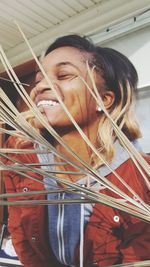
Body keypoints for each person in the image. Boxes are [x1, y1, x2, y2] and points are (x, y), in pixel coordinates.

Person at [3, 34, 150, 267]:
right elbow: (22, 236)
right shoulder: (22, 159)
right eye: (40, 78)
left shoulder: (141, 180)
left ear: (104, 99)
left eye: (63, 75)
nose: (40, 86)